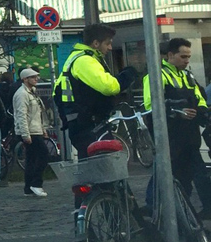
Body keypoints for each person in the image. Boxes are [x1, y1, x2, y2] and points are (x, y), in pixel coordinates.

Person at [142, 38, 211, 212]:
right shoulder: (156, 76)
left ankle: (190, 214)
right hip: (169, 137)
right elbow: (151, 106)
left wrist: (201, 111)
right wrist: (177, 112)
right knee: (170, 174)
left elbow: (200, 98)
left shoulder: (188, 75)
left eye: (189, 56)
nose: (187, 60)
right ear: (170, 55)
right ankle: (159, 209)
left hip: (190, 136)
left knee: (194, 175)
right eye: (183, 56)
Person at [53, 23, 137, 158]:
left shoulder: (80, 58)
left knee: (93, 170)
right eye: (108, 43)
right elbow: (109, 87)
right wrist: (127, 76)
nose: (110, 48)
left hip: (83, 124)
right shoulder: (85, 61)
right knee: (100, 168)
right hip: (89, 125)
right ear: (96, 43)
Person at [13, 68, 49, 197]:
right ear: (25, 79)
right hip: (30, 131)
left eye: (36, 76)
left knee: (31, 159)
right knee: (44, 155)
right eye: (33, 77)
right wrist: (25, 134)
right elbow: (21, 115)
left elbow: (37, 114)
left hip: (35, 129)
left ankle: (28, 187)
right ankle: (36, 183)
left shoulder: (32, 93)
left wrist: (43, 129)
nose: (36, 79)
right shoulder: (22, 94)